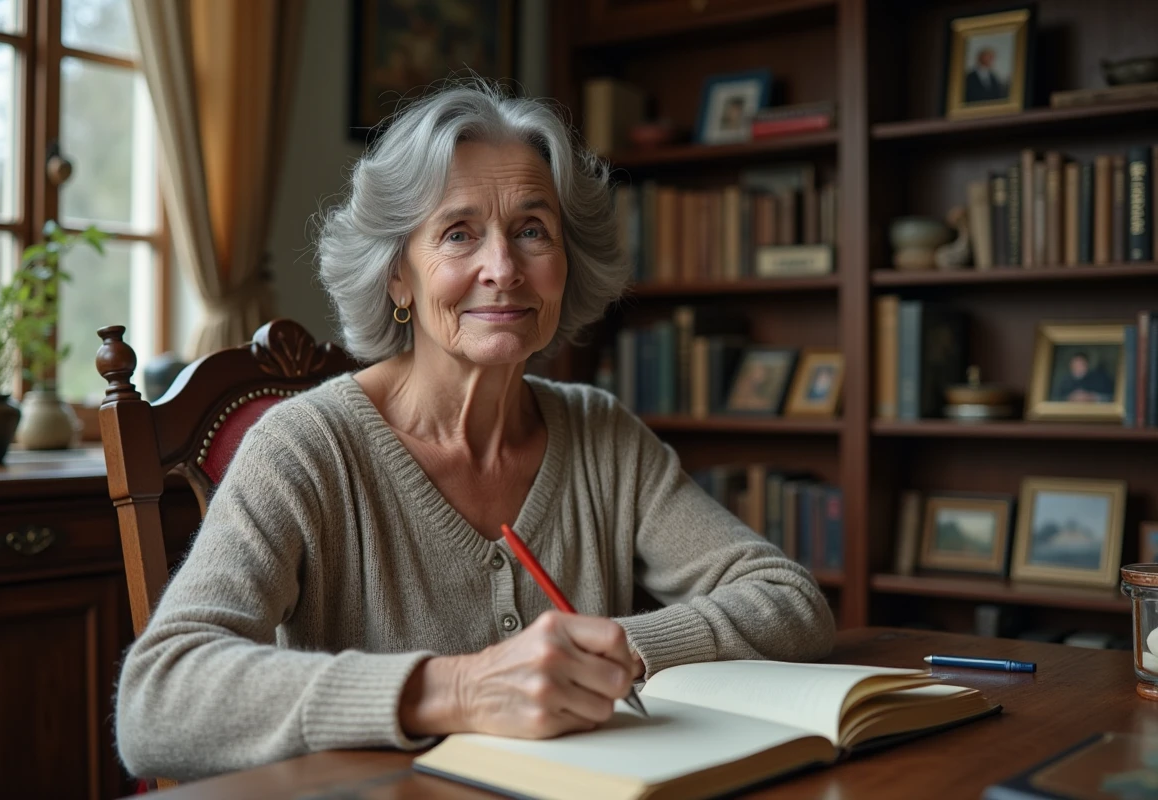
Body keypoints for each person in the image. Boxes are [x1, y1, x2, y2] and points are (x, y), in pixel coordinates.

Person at [113, 80, 835, 782]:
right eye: (458, 234)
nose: (503, 268)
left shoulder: (601, 434)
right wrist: (459, 690)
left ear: (567, 264)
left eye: (532, 231)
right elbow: (156, 702)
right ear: (398, 276)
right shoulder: (304, 447)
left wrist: (612, 649)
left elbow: (787, 599)